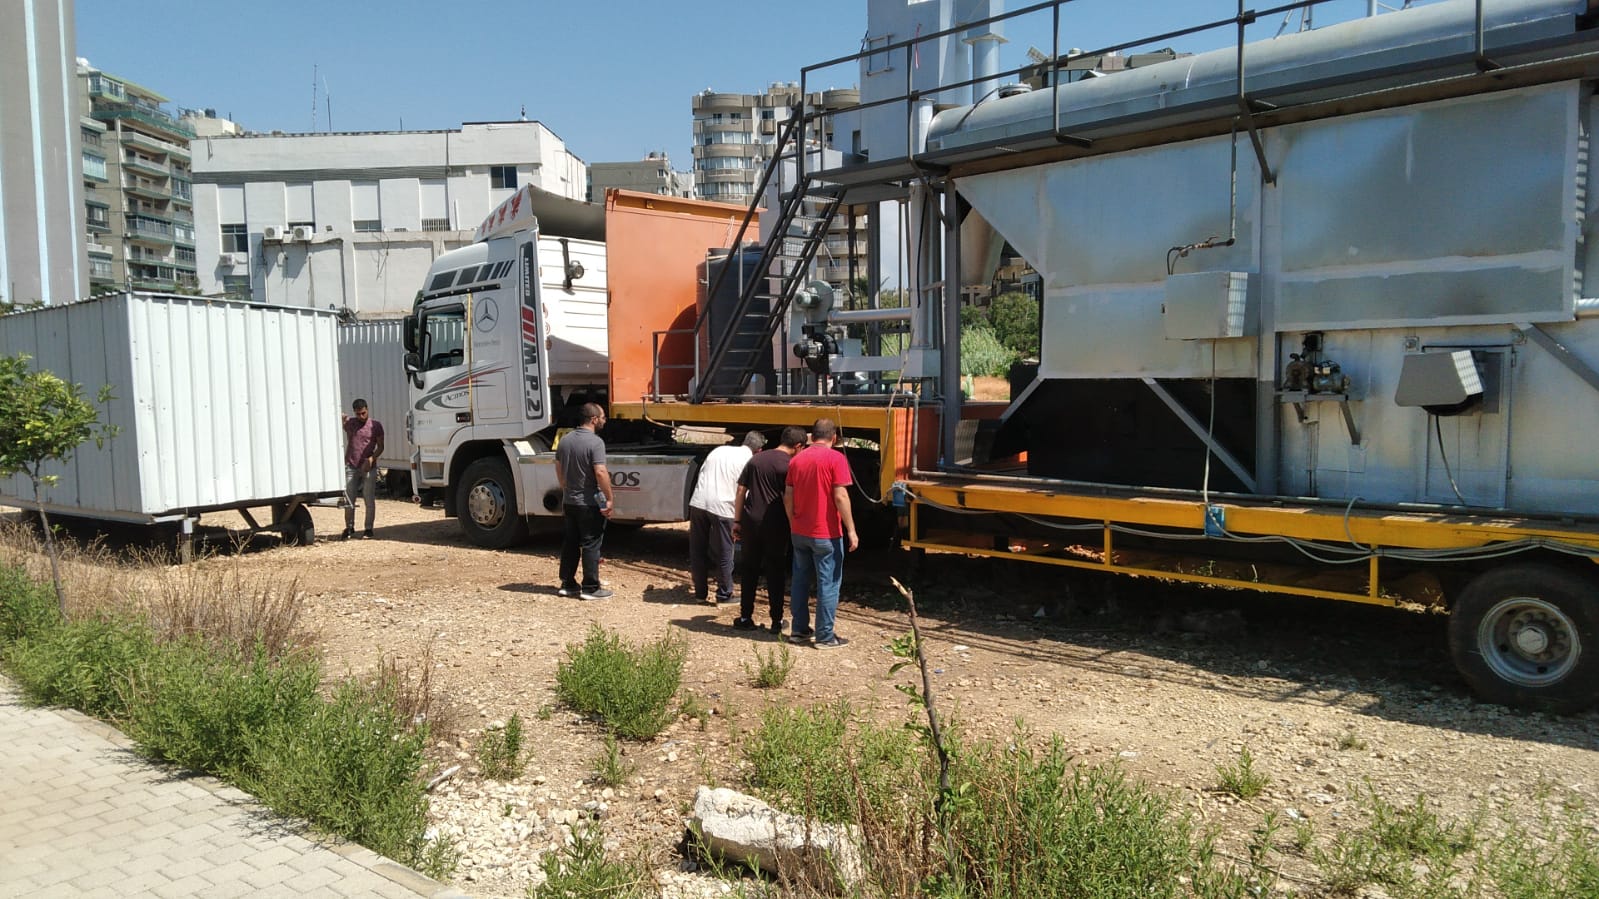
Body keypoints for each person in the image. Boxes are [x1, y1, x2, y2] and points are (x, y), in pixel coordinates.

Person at [784, 418, 858, 648]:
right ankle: (825, 636)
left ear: (811, 436)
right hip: (826, 533)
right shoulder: (836, 458)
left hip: (800, 531)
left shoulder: (797, 460)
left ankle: (798, 631)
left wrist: (792, 521)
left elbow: (788, 495)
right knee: (828, 583)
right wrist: (852, 530)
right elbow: (840, 496)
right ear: (834, 438)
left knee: (800, 580)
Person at [732, 426, 806, 633]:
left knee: (749, 570)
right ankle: (776, 621)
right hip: (776, 523)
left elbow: (740, 490)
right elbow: (788, 498)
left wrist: (737, 521)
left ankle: (745, 617)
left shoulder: (756, 459)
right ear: (798, 446)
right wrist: (795, 524)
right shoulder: (789, 465)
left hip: (750, 521)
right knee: (775, 570)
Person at [688, 431, 765, 606]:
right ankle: (724, 595)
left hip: (699, 502)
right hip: (724, 508)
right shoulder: (750, 461)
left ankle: (700, 593)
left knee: (697, 549)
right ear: (759, 450)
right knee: (724, 551)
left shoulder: (719, 450)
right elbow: (744, 491)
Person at [555, 402, 614, 600]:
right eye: (603, 417)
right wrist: (609, 498)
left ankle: (567, 583)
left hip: (569, 500)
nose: (605, 420)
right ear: (594, 419)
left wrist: (566, 487)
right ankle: (590, 587)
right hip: (588, 502)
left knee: (571, 542)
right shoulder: (596, 443)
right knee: (591, 543)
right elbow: (600, 471)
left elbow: (558, 468)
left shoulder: (565, 440)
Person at [342, 399, 384, 540]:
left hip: (368, 466)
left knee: (369, 499)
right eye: (358, 414)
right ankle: (349, 527)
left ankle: (368, 528)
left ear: (367, 410)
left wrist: (372, 459)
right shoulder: (351, 423)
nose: (361, 416)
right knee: (349, 499)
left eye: (363, 413)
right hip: (351, 465)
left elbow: (381, 446)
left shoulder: (375, 425)